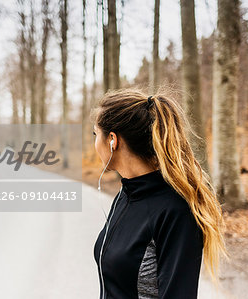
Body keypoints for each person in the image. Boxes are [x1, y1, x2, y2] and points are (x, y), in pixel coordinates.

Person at [90, 88, 227, 299]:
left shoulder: (176, 210)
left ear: (112, 140)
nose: (94, 143)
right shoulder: (126, 194)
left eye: (95, 134)